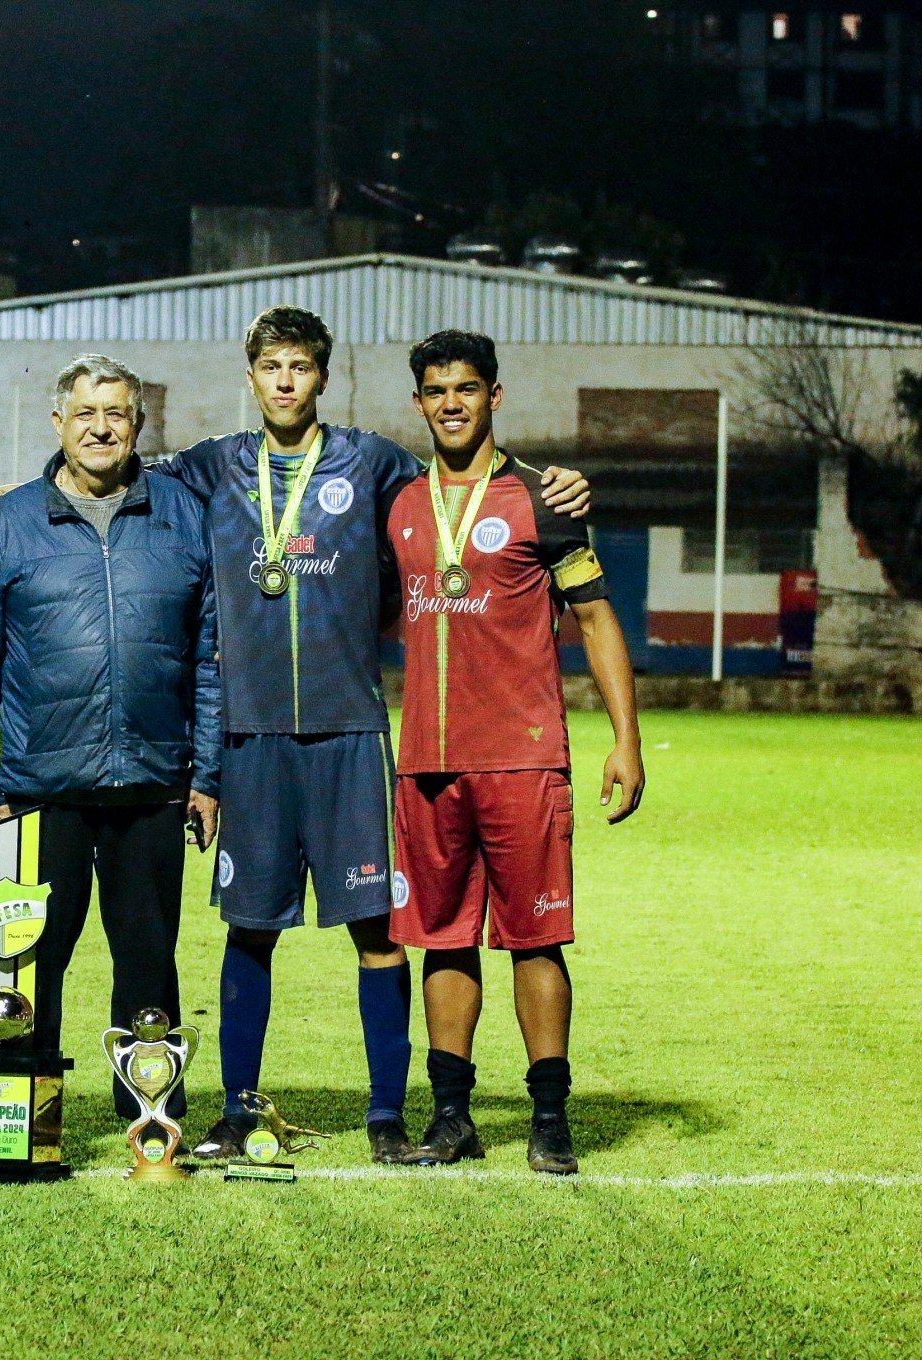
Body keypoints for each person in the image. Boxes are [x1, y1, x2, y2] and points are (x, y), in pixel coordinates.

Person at [0, 307, 592, 1164]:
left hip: (348, 732)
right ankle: (236, 1108)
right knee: (247, 929)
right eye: (271, 367)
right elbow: (104, 467)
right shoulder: (209, 468)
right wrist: (4, 497)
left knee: (377, 933)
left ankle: (385, 1113)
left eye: (301, 366)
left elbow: (463, 479)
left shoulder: (373, 465)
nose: (286, 381)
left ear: (322, 376)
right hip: (250, 741)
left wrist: (552, 483)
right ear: (250, 377)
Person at [384, 330, 643, 1175]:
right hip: (426, 761)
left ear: (495, 396)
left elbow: (598, 618)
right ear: (418, 403)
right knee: (442, 940)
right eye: (435, 391)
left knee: (536, 939)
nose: (450, 403)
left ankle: (549, 1117)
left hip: (523, 759)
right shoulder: (400, 502)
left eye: (466, 388)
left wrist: (625, 742)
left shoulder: (544, 497)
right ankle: (452, 1116)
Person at [0, 353, 220, 1120]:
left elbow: (207, 659)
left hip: (151, 783)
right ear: (58, 422)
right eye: (87, 413)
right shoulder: (11, 522)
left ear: (139, 425)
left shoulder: (180, 514)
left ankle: (149, 1114)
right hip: (38, 790)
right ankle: (22, 1116)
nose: (102, 427)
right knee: (26, 963)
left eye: (118, 414)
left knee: (146, 960)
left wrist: (207, 776)